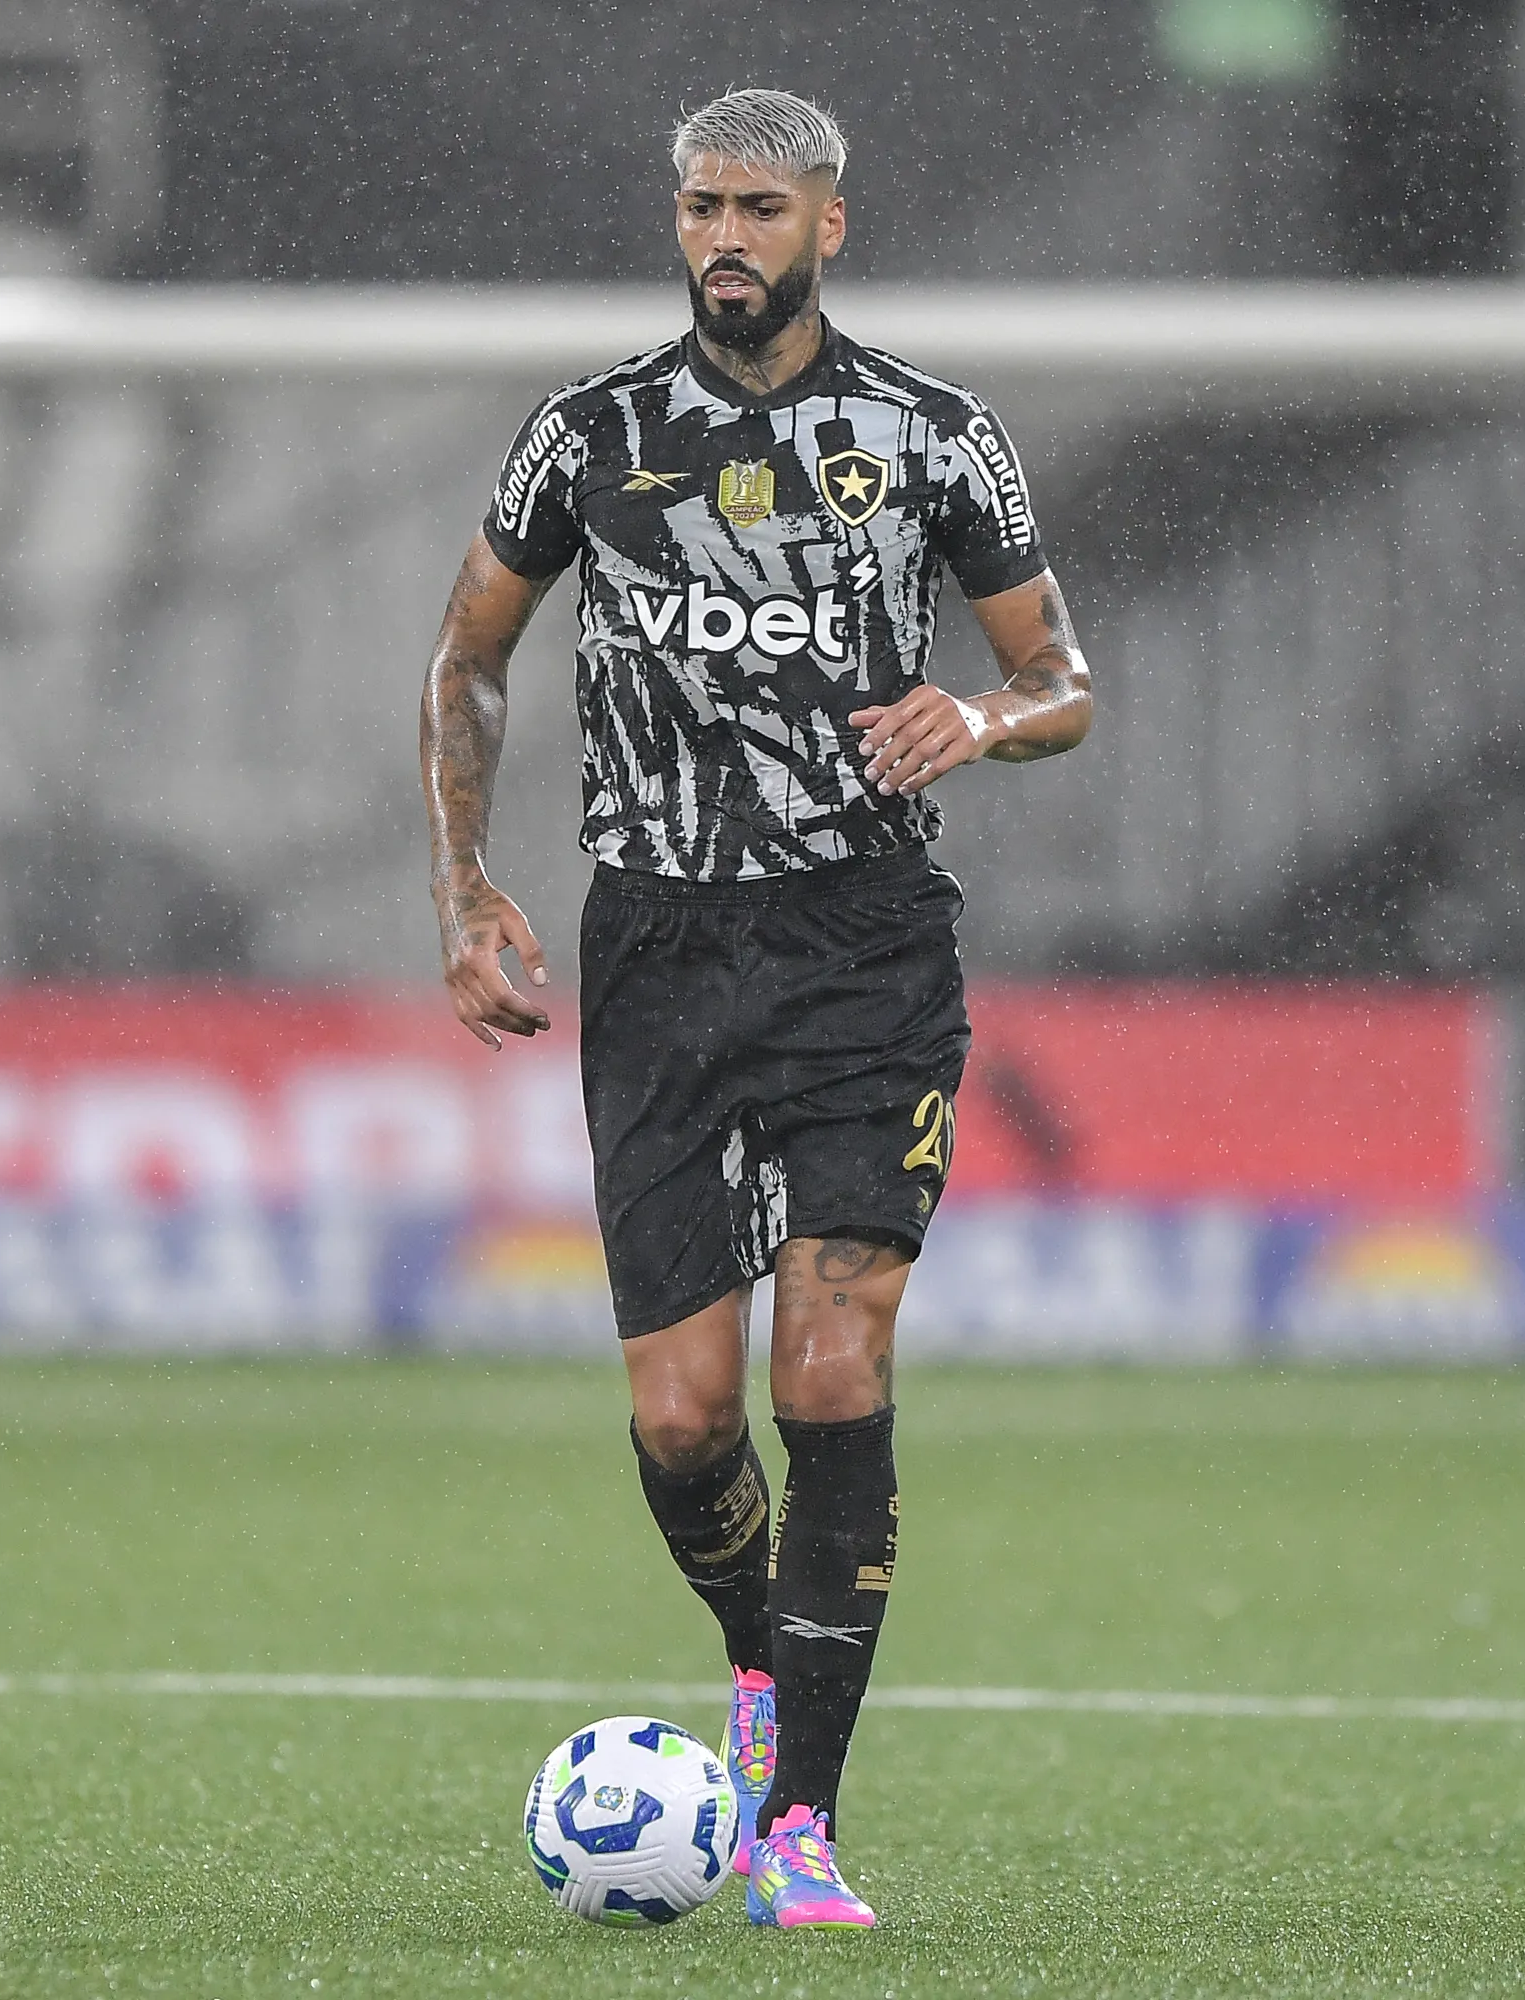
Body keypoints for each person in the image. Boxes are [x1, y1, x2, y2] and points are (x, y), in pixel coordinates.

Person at [417, 89, 1091, 1930]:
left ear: (830, 227)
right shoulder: (591, 432)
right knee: (682, 1422)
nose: (727, 237)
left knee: (835, 1358)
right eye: (704, 206)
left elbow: (1064, 678)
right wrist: (465, 882)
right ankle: (752, 1649)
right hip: (657, 948)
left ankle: (799, 1819)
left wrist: (982, 716)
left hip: (865, 947)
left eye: (762, 209)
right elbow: (471, 656)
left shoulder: (934, 436)